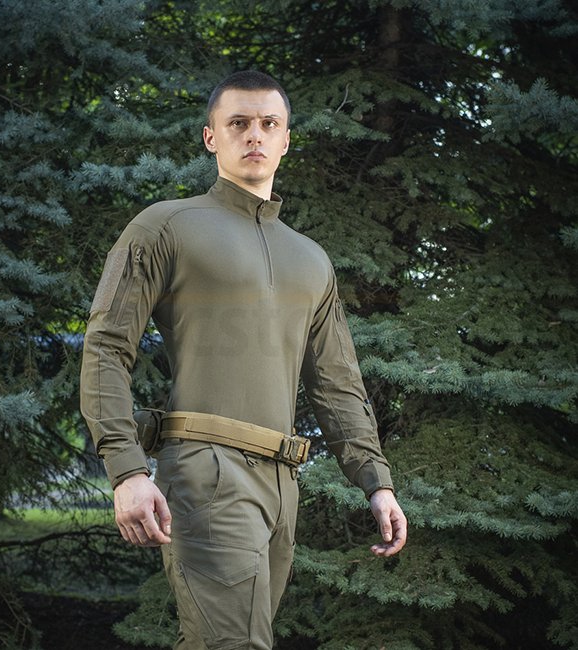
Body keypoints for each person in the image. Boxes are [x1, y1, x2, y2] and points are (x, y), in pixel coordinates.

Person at [80, 70, 407, 650]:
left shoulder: (311, 259)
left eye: (268, 124)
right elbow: (106, 346)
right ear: (211, 137)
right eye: (238, 123)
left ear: (286, 139)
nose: (254, 134)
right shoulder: (164, 227)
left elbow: (336, 384)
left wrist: (376, 482)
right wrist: (127, 471)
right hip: (206, 472)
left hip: (283, 484)